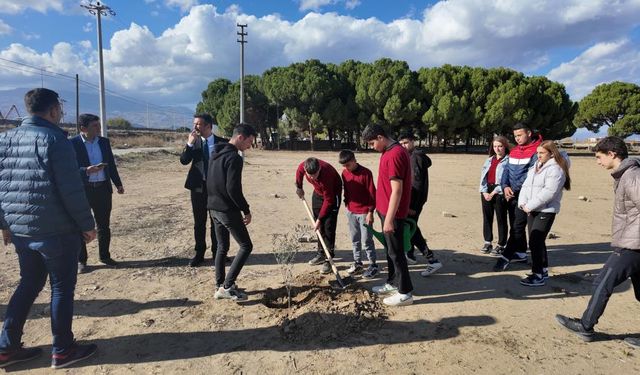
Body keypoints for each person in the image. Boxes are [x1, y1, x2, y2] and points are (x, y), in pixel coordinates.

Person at [0, 88, 98, 369]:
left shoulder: (4, 140)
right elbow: (71, 190)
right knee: (61, 288)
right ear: (54, 110)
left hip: (21, 231)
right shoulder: (56, 140)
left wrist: (5, 224)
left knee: (28, 283)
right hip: (56, 232)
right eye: (60, 110)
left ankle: (6, 347)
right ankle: (63, 350)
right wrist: (87, 225)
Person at [556, 137, 640, 349]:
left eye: (599, 157)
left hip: (633, 245)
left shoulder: (632, 177)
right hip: (632, 242)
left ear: (612, 154)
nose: (597, 161)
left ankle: (585, 326)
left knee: (602, 282)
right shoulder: (626, 175)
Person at [363, 124, 414, 307]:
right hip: (385, 211)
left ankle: (405, 292)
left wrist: (390, 219)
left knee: (396, 252)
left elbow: (397, 190)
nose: (371, 147)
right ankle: (393, 282)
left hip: (394, 214)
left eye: (371, 143)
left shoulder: (394, 154)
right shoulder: (389, 151)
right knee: (390, 251)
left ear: (380, 137)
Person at [208, 123, 257, 301]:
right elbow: (233, 189)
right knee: (246, 246)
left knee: (222, 247)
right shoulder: (234, 158)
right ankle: (227, 287)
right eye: (249, 142)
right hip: (226, 209)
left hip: (213, 208)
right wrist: (246, 209)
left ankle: (219, 284)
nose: (250, 146)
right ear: (240, 137)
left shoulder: (215, 153)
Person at [70, 113, 124, 272]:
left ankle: (105, 256)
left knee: (103, 225)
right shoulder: (72, 144)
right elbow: (69, 168)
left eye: (99, 125)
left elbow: (111, 165)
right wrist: (86, 171)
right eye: (95, 126)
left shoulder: (104, 142)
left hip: (102, 189)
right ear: (83, 128)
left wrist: (118, 184)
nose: (99, 128)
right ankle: (82, 260)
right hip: (83, 190)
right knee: (80, 225)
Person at [517, 140, 570, 286]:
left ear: (551, 153)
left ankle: (537, 274)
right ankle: (543, 270)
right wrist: (523, 203)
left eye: (542, 153)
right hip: (531, 209)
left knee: (535, 240)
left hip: (546, 210)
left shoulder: (556, 169)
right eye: (537, 153)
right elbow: (526, 185)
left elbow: (549, 192)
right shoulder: (536, 166)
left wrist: (530, 205)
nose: (538, 156)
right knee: (536, 241)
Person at [180, 114, 228, 267]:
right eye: (194, 124)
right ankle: (199, 254)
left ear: (209, 126)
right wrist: (189, 144)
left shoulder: (222, 143)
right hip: (198, 189)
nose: (195, 127)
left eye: (199, 124)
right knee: (199, 223)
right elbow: (184, 161)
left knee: (217, 222)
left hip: (216, 190)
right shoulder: (194, 143)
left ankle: (218, 253)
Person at [493, 123, 543, 271]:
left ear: (528, 133)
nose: (517, 138)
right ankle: (521, 253)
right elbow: (506, 171)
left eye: (520, 135)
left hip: (527, 197)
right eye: (515, 136)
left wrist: (513, 189)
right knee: (515, 223)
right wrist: (505, 186)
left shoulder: (537, 152)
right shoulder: (514, 151)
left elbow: (531, 174)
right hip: (511, 195)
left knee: (517, 227)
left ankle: (506, 256)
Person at [398, 132, 443, 277]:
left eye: (406, 142)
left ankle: (431, 260)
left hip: (414, 203)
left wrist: (411, 206)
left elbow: (416, 185)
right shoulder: (415, 156)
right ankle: (411, 255)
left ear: (412, 142)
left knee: (412, 229)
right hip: (414, 202)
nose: (403, 146)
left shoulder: (415, 157)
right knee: (411, 229)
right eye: (401, 143)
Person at [295, 157, 342, 275]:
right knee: (319, 228)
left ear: (319, 168)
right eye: (310, 175)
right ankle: (321, 253)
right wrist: (299, 187)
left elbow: (329, 200)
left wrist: (320, 219)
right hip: (318, 193)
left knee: (328, 227)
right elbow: (299, 172)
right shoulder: (303, 166)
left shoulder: (327, 174)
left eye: (315, 175)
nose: (312, 178)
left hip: (332, 195)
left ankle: (328, 258)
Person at [339, 150, 378, 278]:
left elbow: (372, 193)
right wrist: (347, 203)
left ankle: (373, 265)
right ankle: (358, 263)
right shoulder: (344, 173)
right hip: (351, 211)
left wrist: (370, 212)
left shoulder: (366, 173)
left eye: (348, 165)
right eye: (344, 166)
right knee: (355, 239)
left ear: (354, 160)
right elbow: (347, 190)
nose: (346, 168)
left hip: (364, 213)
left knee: (367, 240)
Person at [479, 136, 510, 255]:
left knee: (501, 218)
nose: (497, 149)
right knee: (487, 217)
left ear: (505, 147)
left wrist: (494, 192)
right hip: (487, 190)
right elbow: (483, 177)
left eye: (500, 146)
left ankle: (501, 244)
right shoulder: (489, 160)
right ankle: (487, 242)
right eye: (495, 146)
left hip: (499, 191)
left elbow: (505, 179)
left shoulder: (508, 160)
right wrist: (484, 191)